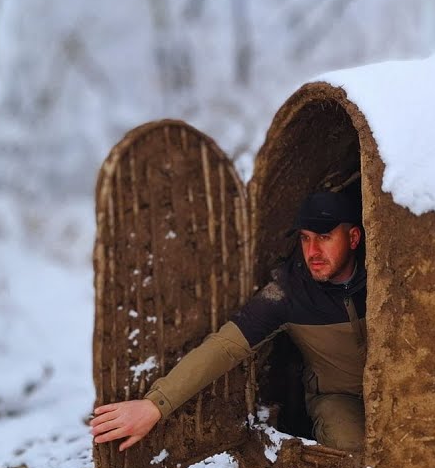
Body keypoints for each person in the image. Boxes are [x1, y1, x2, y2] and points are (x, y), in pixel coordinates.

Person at [90, 191, 368, 453]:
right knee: (351, 442)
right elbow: (225, 346)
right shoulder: (287, 292)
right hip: (337, 398)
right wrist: (155, 404)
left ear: (354, 238)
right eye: (305, 238)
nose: (312, 251)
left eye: (324, 237)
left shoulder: (383, 278)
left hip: (395, 389)